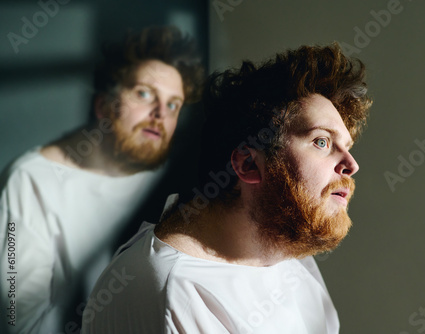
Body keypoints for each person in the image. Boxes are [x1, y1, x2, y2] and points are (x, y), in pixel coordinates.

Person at [82, 43, 372, 333]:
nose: (351, 164)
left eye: (346, 146)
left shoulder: (285, 252)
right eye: (321, 142)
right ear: (248, 164)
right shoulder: (175, 291)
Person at [0, 26, 204, 333]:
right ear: (103, 105)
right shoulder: (29, 181)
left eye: (173, 104)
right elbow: (18, 319)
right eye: (144, 93)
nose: (160, 112)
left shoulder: (177, 180)